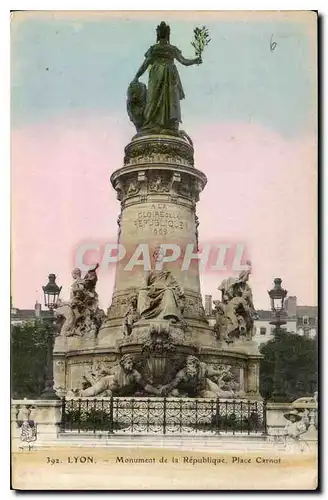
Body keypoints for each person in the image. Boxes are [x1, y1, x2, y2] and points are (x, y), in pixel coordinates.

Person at [131, 21, 202, 133]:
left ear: (158, 35)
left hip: (159, 74)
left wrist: (136, 77)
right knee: (163, 99)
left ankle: (155, 123)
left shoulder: (155, 49)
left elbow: (145, 64)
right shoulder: (169, 49)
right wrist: (195, 60)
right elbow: (184, 61)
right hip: (168, 74)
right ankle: (161, 124)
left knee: (156, 99)